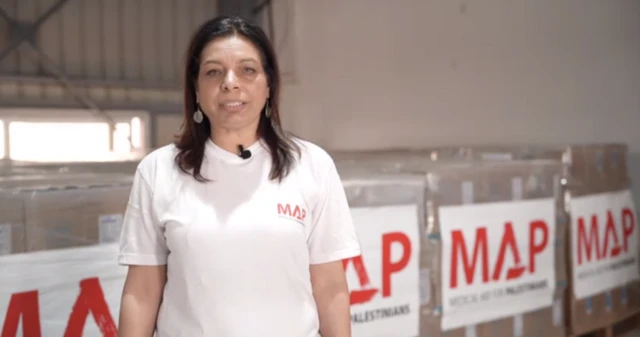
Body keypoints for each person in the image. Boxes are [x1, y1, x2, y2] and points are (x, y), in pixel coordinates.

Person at [116, 15, 361, 337]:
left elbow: (330, 286)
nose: (230, 82)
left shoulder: (312, 165)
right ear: (196, 88)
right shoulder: (158, 171)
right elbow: (142, 291)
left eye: (248, 70)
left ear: (269, 84)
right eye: (213, 72)